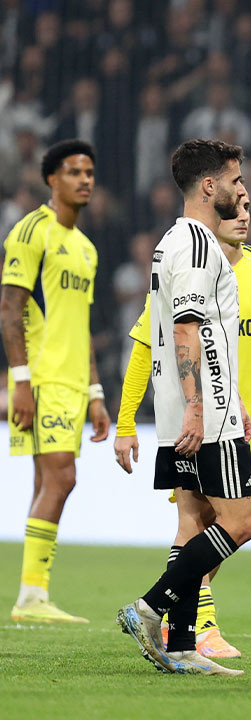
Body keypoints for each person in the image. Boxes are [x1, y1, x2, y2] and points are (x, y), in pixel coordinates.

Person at [113, 189, 251, 659]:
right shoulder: (188, 267)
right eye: (236, 207)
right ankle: (190, 624)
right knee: (213, 522)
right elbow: (146, 346)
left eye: (249, 209)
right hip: (204, 423)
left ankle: (177, 634)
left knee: (212, 529)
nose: (244, 216)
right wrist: (127, 421)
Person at [115, 138, 251, 677]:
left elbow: (204, 335)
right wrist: (203, 407)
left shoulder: (171, 241)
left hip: (188, 407)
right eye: (234, 180)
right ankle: (150, 608)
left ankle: (180, 646)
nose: (240, 189)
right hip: (203, 413)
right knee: (242, 523)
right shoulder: (199, 246)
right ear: (208, 186)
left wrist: (227, 397)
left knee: (194, 522)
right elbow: (186, 329)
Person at [3, 139, 112, 624]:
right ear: (52, 179)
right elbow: (9, 307)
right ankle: (32, 596)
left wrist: (95, 393)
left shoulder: (85, 249)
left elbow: (80, 326)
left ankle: (32, 593)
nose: (84, 179)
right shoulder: (32, 231)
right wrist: (20, 381)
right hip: (41, 379)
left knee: (46, 479)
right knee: (62, 477)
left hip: (72, 383)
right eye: (73, 171)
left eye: (89, 171)